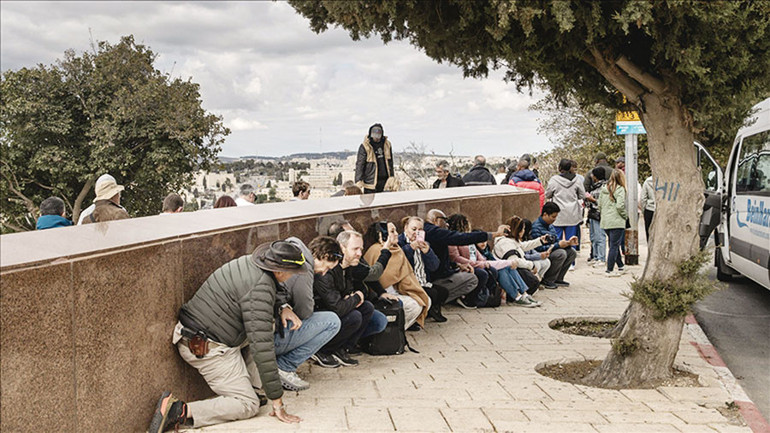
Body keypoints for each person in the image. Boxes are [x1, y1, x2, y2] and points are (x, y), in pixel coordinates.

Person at [147, 241, 305, 432]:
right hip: (206, 347)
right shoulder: (258, 286)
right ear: (279, 270)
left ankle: (253, 389)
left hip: (206, 334)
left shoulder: (251, 264)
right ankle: (178, 410)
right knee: (248, 404)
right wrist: (277, 402)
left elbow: (271, 290)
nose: (292, 277)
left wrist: (283, 307)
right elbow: (262, 348)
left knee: (267, 326)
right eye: (293, 272)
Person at [272, 236, 342, 391]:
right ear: (323, 256)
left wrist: (286, 306)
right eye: (328, 268)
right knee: (332, 322)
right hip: (270, 337)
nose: (324, 273)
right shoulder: (303, 268)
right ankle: (284, 366)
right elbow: (305, 311)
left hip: (262, 331)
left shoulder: (293, 250)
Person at [311, 231, 388, 367]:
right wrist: (356, 297)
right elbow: (338, 307)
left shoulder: (349, 266)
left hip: (336, 307)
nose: (359, 253)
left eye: (361, 249)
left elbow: (351, 292)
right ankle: (323, 350)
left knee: (367, 308)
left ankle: (342, 348)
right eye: (355, 249)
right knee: (354, 316)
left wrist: (354, 297)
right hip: (322, 312)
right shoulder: (326, 270)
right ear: (342, 248)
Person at [423, 209, 508, 308]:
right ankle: (440, 300)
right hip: (436, 278)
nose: (447, 225)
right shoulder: (433, 232)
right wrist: (493, 234)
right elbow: (461, 238)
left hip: (444, 272)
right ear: (436, 220)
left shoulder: (432, 231)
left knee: (487, 272)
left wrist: (458, 266)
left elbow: (444, 259)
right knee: (473, 278)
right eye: (444, 220)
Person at [363, 222, 431, 330]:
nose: (396, 234)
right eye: (392, 231)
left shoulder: (397, 249)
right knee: (414, 306)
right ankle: (393, 331)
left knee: (425, 299)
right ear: (382, 234)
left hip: (397, 291)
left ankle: (398, 330)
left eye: (396, 230)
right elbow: (377, 278)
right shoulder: (376, 250)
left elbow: (406, 275)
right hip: (381, 295)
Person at [399, 216, 449, 322]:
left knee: (443, 292)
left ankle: (430, 310)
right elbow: (398, 262)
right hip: (409, 283)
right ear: (405, 228)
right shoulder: (400, 243)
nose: (416, 233)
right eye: (414, 229)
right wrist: (410, 248)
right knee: (432, 294)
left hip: (424, 281)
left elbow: (435, 266)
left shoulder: (425, 243)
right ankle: (418, 316)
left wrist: (428, 252)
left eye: (420, 230)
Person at [447, 214, 499, 308]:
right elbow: (455, 257)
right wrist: (477, 264)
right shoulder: (452, 239)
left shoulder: (468, 238)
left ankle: (483, 296)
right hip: (463, 266)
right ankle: (469, 299)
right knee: (482, 274)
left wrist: (483, 262)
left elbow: (476, 252)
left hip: (475, 263)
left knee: (493, 271)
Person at [544, 159, 586, 269]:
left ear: (559, 168)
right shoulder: (577, 180)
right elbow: (582, 195)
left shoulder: (554, 180)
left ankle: (556, 261)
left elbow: (548, 194)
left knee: (556, 239)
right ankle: (571, 263)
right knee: (571, 238)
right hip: (572, 214)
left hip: (557, 214)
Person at [531, 202, 579, 288]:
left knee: (572, 252)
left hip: (551, 249)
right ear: (545, 214)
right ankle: (548, 280)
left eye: (556, 217)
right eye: (553, 217)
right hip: (542, 253)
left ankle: (558, 278)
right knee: (561, 253)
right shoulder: (536, 227)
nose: (554, 219)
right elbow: (538, 248)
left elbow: (556, 240)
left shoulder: (550, 226)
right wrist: (558, 245)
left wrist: (568, 243)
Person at [493, 215, 552, 284]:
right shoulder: (506, 243)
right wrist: (532, 266)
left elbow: (523, 245)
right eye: (523, 229)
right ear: (519, 231)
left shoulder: (511, 240)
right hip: (510, 272)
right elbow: (515, 260)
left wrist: (540, 241)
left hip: (515, 269)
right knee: (533, 279)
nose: (524, 231)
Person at [598, 169, 628, 277]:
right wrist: (625, 216)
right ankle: (609, 270)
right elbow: (620, 206)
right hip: (617, 221)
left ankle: (621, 266)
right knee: (614, 246)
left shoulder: (603, 189)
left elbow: (599, 205)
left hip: (606, 221)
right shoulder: (620, 189)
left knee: (613, 244)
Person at [355, 123, 394, 193]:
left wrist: (392, 177)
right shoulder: (365, 146)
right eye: (374, 135)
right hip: (370, 182)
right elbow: (360, 164)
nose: (376, 138)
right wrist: (358, 180)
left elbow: (390, 162)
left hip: (385, 181)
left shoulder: (387, 144)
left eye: (378, 135)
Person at [585, 168, 608, 266]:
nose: (591, 177)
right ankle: (595, 256)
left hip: (599, 214)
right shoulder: (593, 187)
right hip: (592, 214)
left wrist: (593, 200)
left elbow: (604, 203)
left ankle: (601, 258)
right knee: (593, 236)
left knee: (600, 236)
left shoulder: (604, 187)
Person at [641, 174, 655, 243]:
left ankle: (650, 249)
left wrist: (644, 211)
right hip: (661, 210)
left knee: (649, 232)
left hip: (649, 209)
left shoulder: (648, 181)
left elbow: (643, 198)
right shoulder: (665, 180)